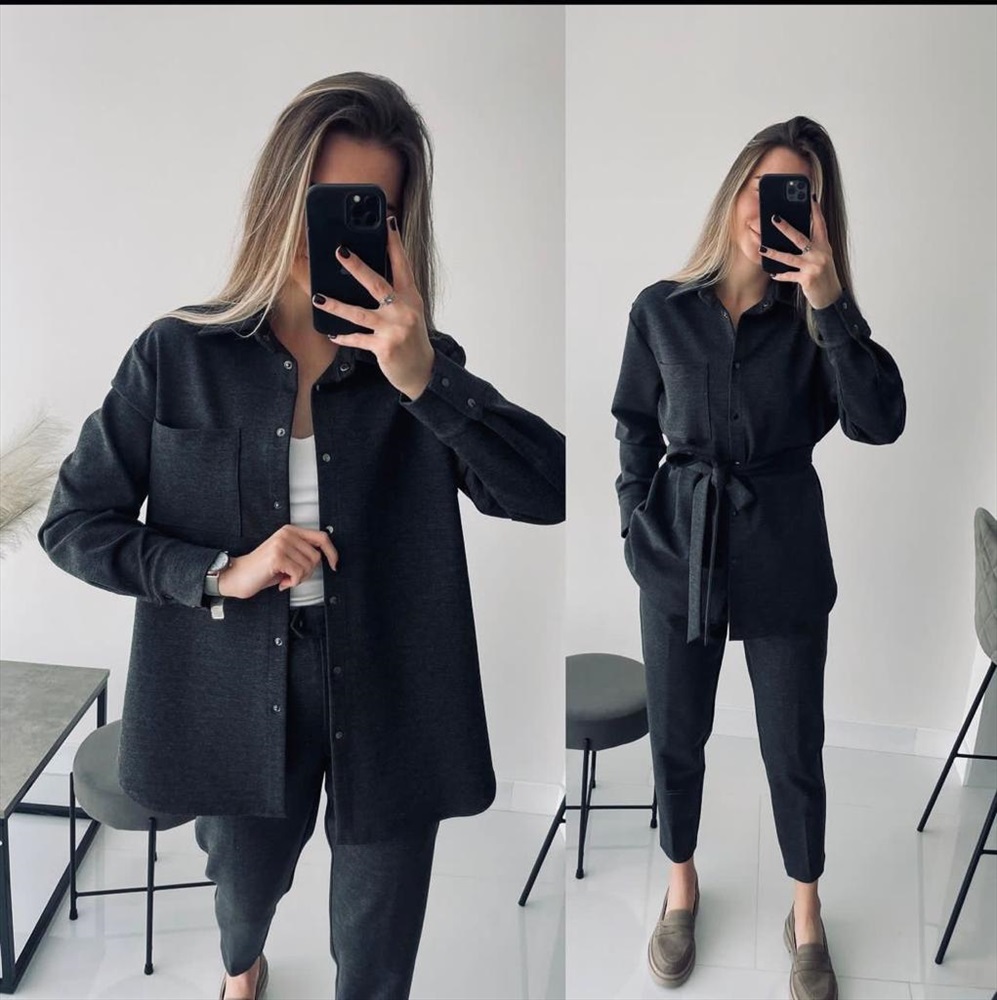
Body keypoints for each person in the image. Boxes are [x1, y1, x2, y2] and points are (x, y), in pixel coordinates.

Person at [38, 71, 565, 1000]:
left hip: (391, 688)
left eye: (372, 214)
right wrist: (218, 571)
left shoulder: (420, 369)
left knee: (377, 943)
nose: (340, 237)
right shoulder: (177, 354)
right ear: (280, 196)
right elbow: (74, 523)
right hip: (230, 687)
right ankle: (243, 967)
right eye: (325, 203)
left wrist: (425, 380)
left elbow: (546, 489)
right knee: (243, 895)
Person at [611, 115, 905, 1000]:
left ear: (815, 215)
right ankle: (681, 887)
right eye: (757, 185)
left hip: (783, 553)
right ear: (733, 190)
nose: (764, 208)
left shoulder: (817, 321)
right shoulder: (660, 309)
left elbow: (878, 422)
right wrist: (633, 528)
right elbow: (633, 427)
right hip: (678, 548)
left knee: (793, 747)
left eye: (791, 196)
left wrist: (831, 303)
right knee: (677, 738)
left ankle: (805, 912)